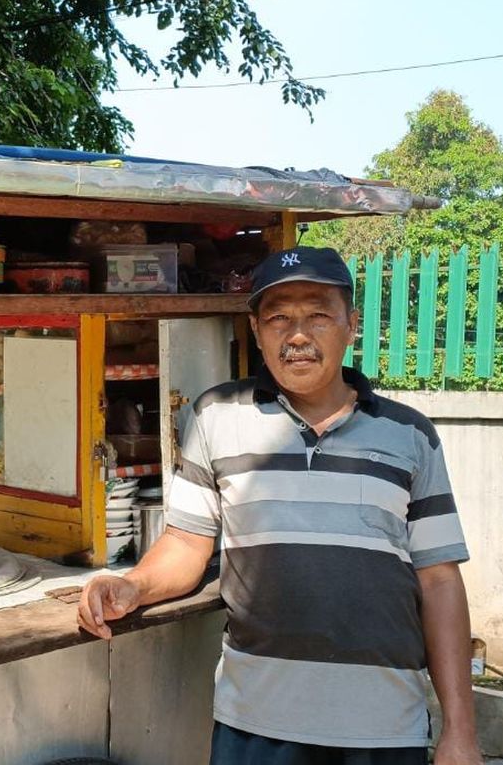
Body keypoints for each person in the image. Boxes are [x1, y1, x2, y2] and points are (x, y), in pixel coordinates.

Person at [78, 246, 482, 764]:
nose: (297, 335)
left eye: (318, 315)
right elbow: (185, 543)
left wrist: (461, 731)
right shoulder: (217, 417)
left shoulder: (409, 435)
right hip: (256, 723)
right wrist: (132, 585)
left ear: (351, 324)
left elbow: (440, 581)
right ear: (256, 329)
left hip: (383, 724)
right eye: (278, 318)